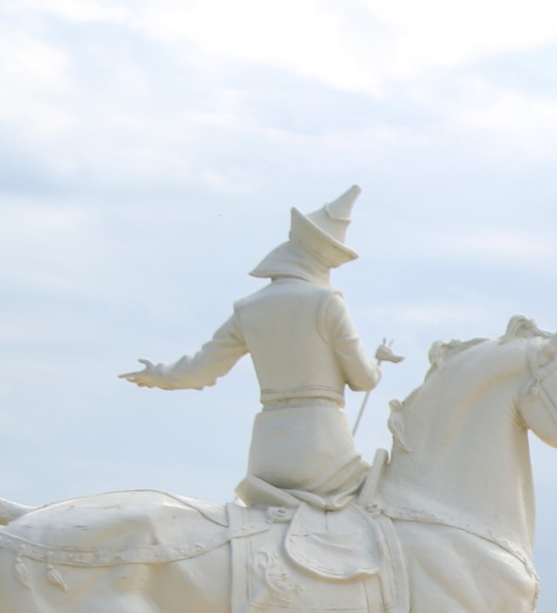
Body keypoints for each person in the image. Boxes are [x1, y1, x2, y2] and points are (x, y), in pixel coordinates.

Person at [119, 185, 398, 512]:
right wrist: (376, 365)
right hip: (323, 451)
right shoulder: (327, 302)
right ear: (326, 258)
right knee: (379, 509)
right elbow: (364, 380)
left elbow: (199, 370)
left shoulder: (249, 308)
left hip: (268, 457)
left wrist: (157, 374)